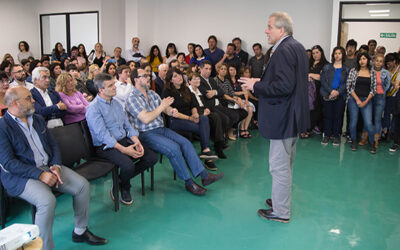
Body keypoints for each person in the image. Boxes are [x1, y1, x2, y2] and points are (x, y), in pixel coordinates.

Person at [0, 86, 107, 250]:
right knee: (46, 201)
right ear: (14, 103)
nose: (33, 100)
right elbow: (8, 163)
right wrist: (39, 174)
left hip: (48, 167)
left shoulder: (36, 118)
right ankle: (44, 247)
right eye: (28, 98)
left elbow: (53, 146)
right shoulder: (3, 127)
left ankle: (80, 231)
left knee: (82, 186)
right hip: (21, 176)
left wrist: (55, 165)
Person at [240, 12, 310, 223]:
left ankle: (281, 212)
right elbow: (287, 80)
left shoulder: (283, 51)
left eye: (269, 27)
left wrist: (256, 85)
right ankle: (280, 200)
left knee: (278, 167)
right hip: (292, 115)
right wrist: (260, 80)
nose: (266, 30)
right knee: (286, 163)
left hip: (283, 117)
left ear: (282, 30)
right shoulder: (296, 46)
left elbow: (284, 86)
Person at [125, 68, 224, 196]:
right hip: (145, 134)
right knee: (174, 149)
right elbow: (146, 118)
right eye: (145, 75)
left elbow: (165, 107)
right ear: (136, 80)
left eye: (148, 75)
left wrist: (171, 111)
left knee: (186, 143)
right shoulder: (132, 98)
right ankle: (189, 183)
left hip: (160, 129)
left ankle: (204, 176)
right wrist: (162, 107)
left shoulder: (151, 94)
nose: (149, 77)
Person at [86, 73, 157, 204]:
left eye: (114, 84)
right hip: (106, 146)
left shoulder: (116, 104)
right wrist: (125, 150)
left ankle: (119, 181)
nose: (115, 87)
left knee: (151, 157)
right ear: (101, 90)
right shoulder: (93, 108)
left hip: (123, 140)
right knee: (128, 165)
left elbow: (127, 125)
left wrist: (136, 141)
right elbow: (103, 135)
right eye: (111, 85)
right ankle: (125, 186)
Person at [162, 67, 218, 169]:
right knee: (202, 128)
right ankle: (207, 157)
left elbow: (193, 105)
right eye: (175, 76)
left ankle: (206, 151)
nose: (179, 77)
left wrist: (195, 114)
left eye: (179, 74)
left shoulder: (186, 89)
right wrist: (190, 118)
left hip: (189, 118)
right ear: (171, 80)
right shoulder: (167, 91)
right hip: (176, 121)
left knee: (204, 119)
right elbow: (174, 113)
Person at [188, 71, 227, 159]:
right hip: (196, 113)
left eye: (198, 78)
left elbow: (204, 103)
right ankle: (214, 147)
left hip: (203, 110)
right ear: (189, 81)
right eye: (194, 79)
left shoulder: (199, 90)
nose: (197, 80)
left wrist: (207, 109)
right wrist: (202, 113)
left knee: (217, 116)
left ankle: (219, 144)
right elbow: (191, 106)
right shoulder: (188, 91)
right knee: (214, 117)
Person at [346, 52, 377, 153]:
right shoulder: (353, 71)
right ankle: (354, 141)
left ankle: (372, 143)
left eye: (364, 59)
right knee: (353, 122)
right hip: (354, 99)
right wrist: (357, 100)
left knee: (368, 123)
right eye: (360, 59)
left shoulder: (372, 72)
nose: (362, 61)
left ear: (368, 60)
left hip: (367, 100)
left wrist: (366, 101)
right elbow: (349, 87)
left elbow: (374, 89)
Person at [320, 46, 350, 145]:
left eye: (339, 53)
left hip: (340, 96)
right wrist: (331, 91)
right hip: (327, 95)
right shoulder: (327, 67)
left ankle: (336, 136)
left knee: (338, 116)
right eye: (335, 53)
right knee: (327, 116)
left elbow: (347, 83)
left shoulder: (346, 69)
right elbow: (323, 81)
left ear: (343, 55)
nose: (337, 55)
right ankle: (327, 135)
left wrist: (338, 92)